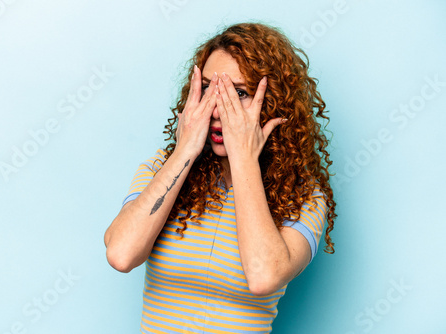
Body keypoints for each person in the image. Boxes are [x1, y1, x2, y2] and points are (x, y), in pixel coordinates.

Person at [104, 22, 336, 333]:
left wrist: (243, 156)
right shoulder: (160, 168)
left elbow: (264, 277)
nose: (217, 108)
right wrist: (185, 150)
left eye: (238, 93)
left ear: (272, 104)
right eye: (208, 89)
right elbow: (121, 255)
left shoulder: (303, 197)